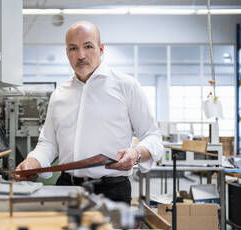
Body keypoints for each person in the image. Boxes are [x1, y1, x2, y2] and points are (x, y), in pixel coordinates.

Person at [15, 21, 163, 204]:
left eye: (88, 46)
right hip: (66, 188)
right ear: (66, 52)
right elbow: (48, 144)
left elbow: (153, 137)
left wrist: (136, 154)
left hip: (111, 191)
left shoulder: (126, 86)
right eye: (73, 48)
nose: (81, 55)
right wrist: (33, 161)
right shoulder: (59, 94)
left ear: (101, 49)